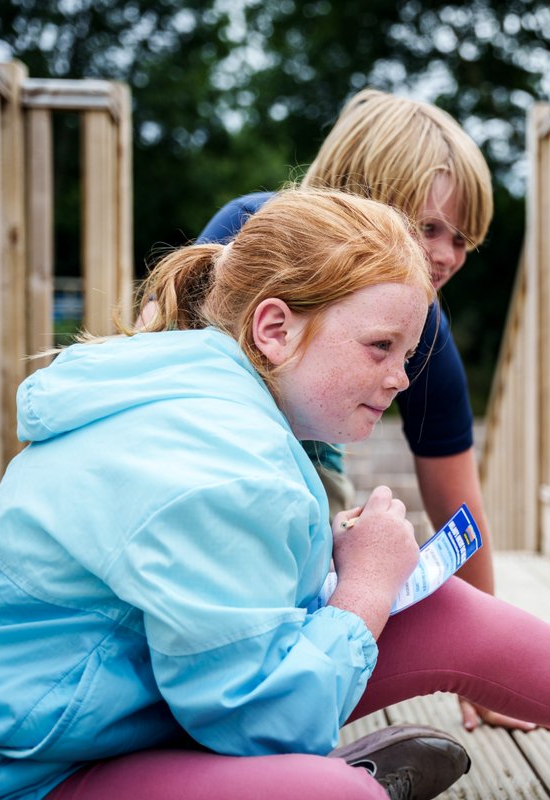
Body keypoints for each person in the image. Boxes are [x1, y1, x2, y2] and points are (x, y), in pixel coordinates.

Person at [0, 187, 550, 800]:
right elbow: (256, 719)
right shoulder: (216, 466)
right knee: (324, 792)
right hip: (19, 770)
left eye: (408, 353)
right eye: (379, 348)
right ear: (274, 327)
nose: (401, 377)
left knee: (441, 615)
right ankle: (354, 778)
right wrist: (361, 586)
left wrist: (358, 574)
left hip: (128, 707)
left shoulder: (226, 405)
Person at [195, 89, 515, 733]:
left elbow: (458, 503)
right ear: (361, 195)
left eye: (463, 238)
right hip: (202, 459)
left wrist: (489, 668)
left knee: (325, 540)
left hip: (307, 474)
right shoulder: (250, 234)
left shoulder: (426, 331)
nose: (448, 255)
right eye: (429, 228)